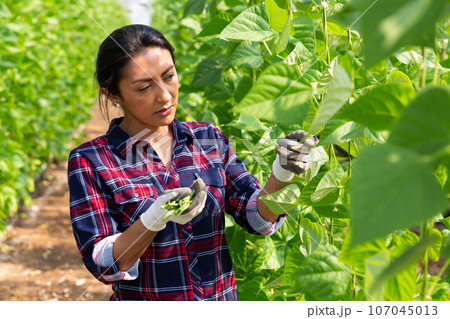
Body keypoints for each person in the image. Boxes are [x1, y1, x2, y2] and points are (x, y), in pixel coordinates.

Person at [68, 24, 318, 301]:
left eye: (169, 76)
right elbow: (104, 263)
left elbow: (256, 218)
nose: (164, 95)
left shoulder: (207, 138)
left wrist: (281, 173)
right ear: (113, 95)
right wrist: (154, 218)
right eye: (144, 87)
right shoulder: (92, 160)